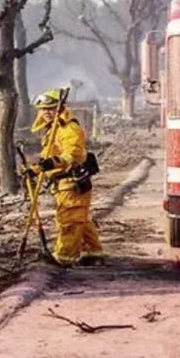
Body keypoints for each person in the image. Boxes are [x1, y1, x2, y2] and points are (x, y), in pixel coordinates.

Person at [29, 89, 103, 266]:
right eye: (43, 109)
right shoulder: (52, 129)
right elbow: (50, 157)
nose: (47, 112)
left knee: (70, 220)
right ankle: (94, 252)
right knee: (81, 218)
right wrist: (36, 170)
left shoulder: (69, 128)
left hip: (72, 181)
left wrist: (53, 163)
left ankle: (64, 256)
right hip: (61, 182)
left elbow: (74, 155)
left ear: (60, 108)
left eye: (51, 108)